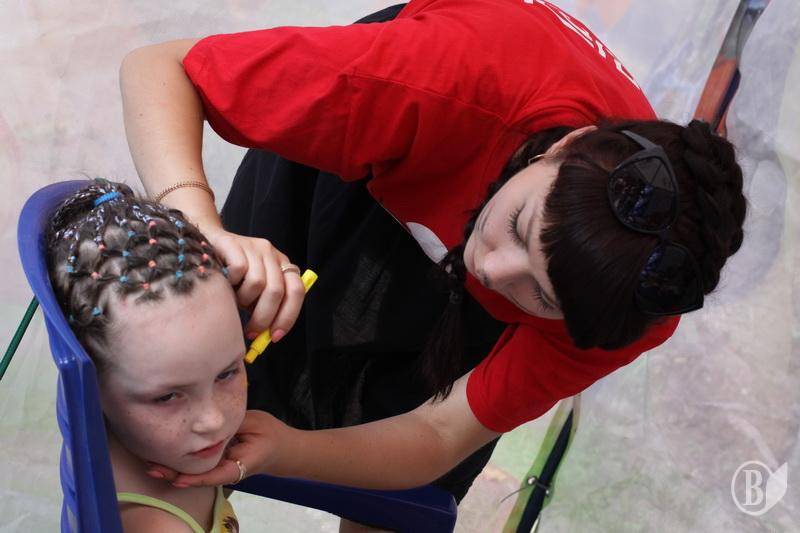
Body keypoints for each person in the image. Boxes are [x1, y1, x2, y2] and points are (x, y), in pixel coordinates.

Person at [118, 1, 747, 530]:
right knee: (187, 404)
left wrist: (289, 451)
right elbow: (162, 69)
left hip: (478, 305)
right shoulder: (438, 81)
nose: (492, 271)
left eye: (542, 296)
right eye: (518, 227)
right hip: (366, 183)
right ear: (564, 145)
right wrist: (201, 229)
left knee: (394, 513)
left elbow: (440, 435)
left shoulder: (619, 305)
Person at [46, 179, 245, 532]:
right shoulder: (156, 525)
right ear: (94, 385)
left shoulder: (152, 440)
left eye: (227, 373)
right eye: (167, 397)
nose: (213, 421)